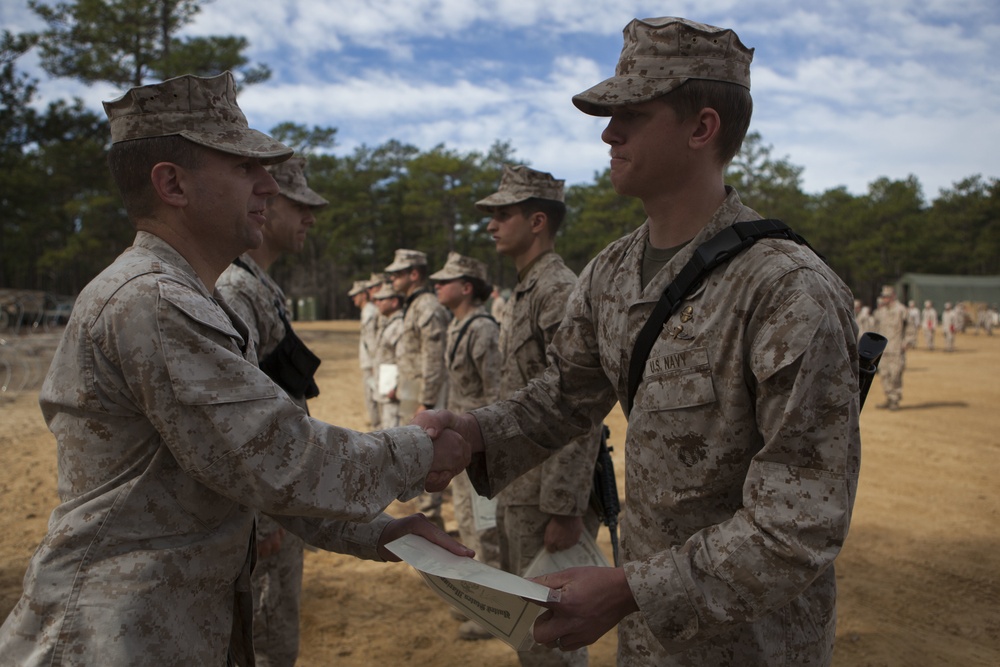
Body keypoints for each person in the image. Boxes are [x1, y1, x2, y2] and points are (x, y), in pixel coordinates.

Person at [419, 17, 861, 666]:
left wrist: (630, 587)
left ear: (701, 128)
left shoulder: (786, 289)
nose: (607, 132)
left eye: (630, 113)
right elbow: (565, 395)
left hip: (754, 642)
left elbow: (800, 521)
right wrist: (475, 431)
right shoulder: (611, 272)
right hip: (649, 636)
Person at [0, 71, 471, 667]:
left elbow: (237, 472)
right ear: (172, 184)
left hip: (163, 624)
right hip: (116, 634)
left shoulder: (189, 297)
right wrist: (421, 451)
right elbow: (279, 458)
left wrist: (377, 532)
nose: (269, 185)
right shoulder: (153, 301)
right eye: (243, 166)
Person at [478, 164, 601, 667]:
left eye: (502, 215)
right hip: (521, 489)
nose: (491, 225)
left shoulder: (557, 290)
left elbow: (582, 401)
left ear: (537, 222)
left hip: (545, 497)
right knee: (527, 627)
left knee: (550, 635)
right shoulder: (528, 289)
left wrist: (565, 506)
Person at [215, 155, 328, 667]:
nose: (309, 217)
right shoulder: (237, 289)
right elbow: (241, 422)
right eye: (298, 204)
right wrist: (264, 520)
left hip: (280, 496)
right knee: (265, 640)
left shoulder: (259, 285)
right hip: (265, 508)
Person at [431, 252, 503, 641]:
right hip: (461, 447)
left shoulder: (482, 330)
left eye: (446, 280)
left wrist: (485, 449)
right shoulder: (457, 326)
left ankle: (494, 610)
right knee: (469, 526)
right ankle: (478, 597)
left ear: (467, 287)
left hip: (480, 450)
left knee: (486, 529)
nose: (437, 285)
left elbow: (495, 396)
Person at [386, 248, 451, 529]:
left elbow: (433, 357)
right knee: (414, 453)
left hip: (423, 391)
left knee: (428, 455)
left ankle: (431, 518)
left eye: (397, 274)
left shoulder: (426, 307)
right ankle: (424, 514)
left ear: (414, 274)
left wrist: (427, 399)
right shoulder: (412, 304)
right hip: (411, 388)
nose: (392, 279)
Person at [350, 273, 382, 428]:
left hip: (371, 364)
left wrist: (375, 364)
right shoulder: (369, 310)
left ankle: (378, 427)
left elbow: (371, 342)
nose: (353, 298)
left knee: (373, 399)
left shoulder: (369, 311)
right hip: (370, 363)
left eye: (356, 295)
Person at [372, 282, 406, 428]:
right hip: (385, 387)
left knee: (393, 430)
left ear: (394, 302)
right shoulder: (389, 323)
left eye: (381, 299)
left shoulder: (399, 325)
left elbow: (403, 359)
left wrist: (397, 386)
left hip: (393, 390)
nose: (377, 303)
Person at [873, 285, 908, 410]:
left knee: (895, 374)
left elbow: (910, 326)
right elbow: (876, 328)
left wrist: (907, 341)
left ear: (893, 296)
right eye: (883, 297)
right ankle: (888, 397)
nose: (884, 299)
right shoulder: (880, 312)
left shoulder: (901, 310)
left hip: (896, 348)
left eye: (887, 297)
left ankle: (895, 399)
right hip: (883, 349)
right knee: (884, 374)